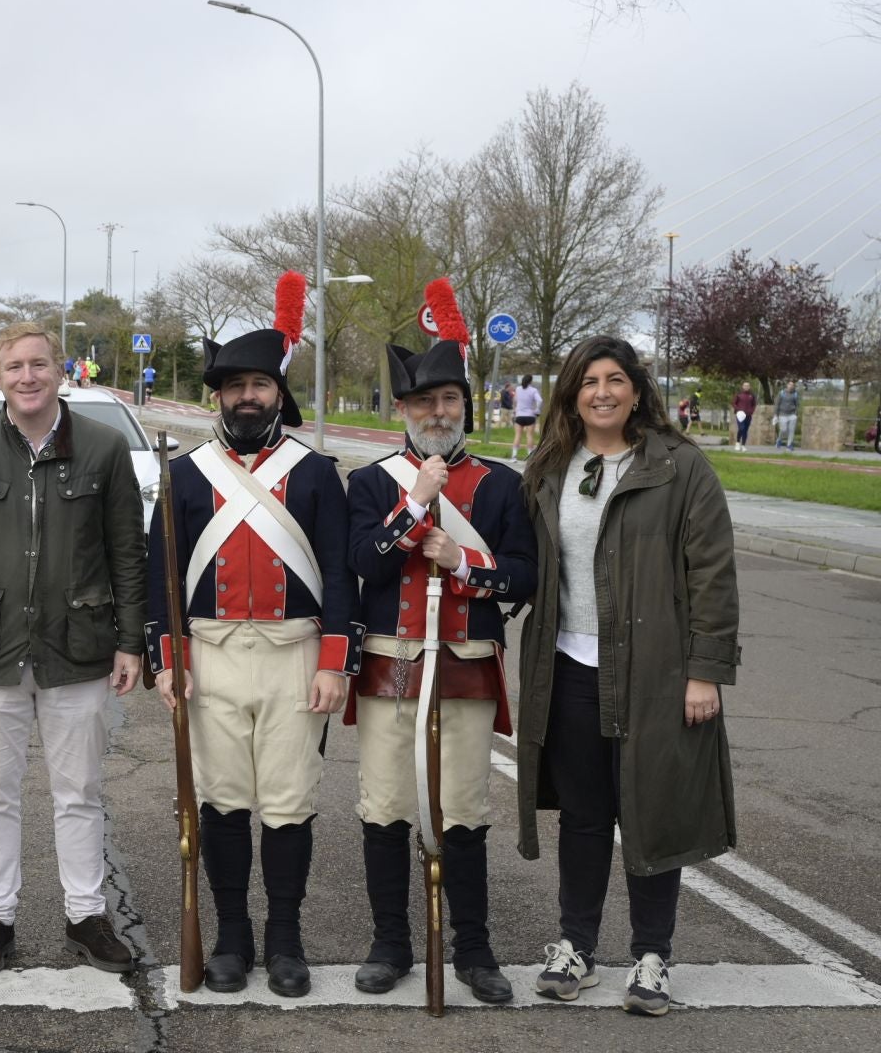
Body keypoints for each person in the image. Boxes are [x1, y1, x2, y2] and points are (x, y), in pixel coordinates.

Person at [517, 335, 740, 1017]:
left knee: (652, 813)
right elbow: (525, 562)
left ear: (637, 390)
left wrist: (705, 671)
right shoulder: (550, 466)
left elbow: (712, 574)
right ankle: (576, 948)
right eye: (589, 381)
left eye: (616, 379)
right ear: (571, 394)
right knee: (584, 818)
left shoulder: (680, 467)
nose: (603, 391)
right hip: (569, 669)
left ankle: (652, 956)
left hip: (656, 674)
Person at [147, 277, 359, 996]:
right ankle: (233, 936)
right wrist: (167, 660)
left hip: (295, 655)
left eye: (259, 385)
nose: (247, 397)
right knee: (225, 801)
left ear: (278, 393)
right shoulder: (183, 475)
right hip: (208, 657)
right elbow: (160, 578)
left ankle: (286, 937)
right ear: (219, 396)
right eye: (234, 385)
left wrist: (336, 661)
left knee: (290, 802)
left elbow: (340, 572)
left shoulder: (317, 475)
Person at [345, 306, 536, 1005]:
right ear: (402, 408)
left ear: (466, 406)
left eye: (449, 399)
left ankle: (475, 950)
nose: (437, 411)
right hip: (390, 661)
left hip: (464, 660)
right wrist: (414, 504)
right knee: (386, 808)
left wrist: (464, 560)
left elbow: (526, 574)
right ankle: (390, 943)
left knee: (462, 810)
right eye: (424, 401)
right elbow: (361, 561)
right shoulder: (370, 483)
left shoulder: (502, 484)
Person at [0, 323, 145, 977]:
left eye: (39, 364)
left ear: (63, 371)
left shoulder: (106, 448)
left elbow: (127, 553)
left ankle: (86, 914)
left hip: (79, 648)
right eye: (14, 366)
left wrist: (130, 641)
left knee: (79, 791)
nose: (27, 376)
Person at [511, 374, 542, 460]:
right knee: (529, 435)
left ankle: (514, 456)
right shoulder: (533, 390)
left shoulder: (518, 389)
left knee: (517, 435)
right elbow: (539, 400)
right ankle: (529, 457)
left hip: (519, 415)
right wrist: (536, 410)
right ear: (530, 381)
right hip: (530, 415)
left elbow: (515, 400)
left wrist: (515, 410)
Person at [773, 380, 800, 451]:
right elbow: (777, 404)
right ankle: (779, 440)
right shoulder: (782, 393)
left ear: (794, 387)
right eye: (790, 385)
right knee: (783, 429)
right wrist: (776, 414)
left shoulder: (795, 394)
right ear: (787, 385)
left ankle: (789, 445)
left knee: (791, 430)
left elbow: (797, 404)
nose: (791, 386)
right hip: (782, 414)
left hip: (792, 415)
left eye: (792, 385)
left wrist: (796, 413)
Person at [732, 382, 756, 451]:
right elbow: (734, 403)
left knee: (745, 430)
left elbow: (754, 404)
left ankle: (743, 445)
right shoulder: (739, 394)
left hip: (748, 415)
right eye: (745, 386)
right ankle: (737, 442)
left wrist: (751, 411)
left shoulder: (752, 395)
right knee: (741, 428)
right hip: (740, 415)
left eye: (748, 386)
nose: (746, 387)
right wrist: (738, 410)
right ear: (742, 386)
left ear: (749, 387)